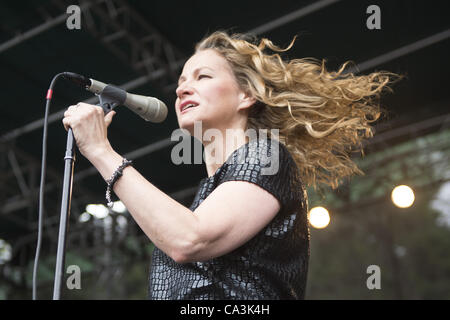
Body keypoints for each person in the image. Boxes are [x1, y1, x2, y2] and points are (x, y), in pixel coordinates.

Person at [62, 31, 399, 299]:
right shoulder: (207, 197)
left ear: (245, 95)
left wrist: (101, 151)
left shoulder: (266, 157)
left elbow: (190, 240)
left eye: (202, 76)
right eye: (180, 81)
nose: (182, 89)